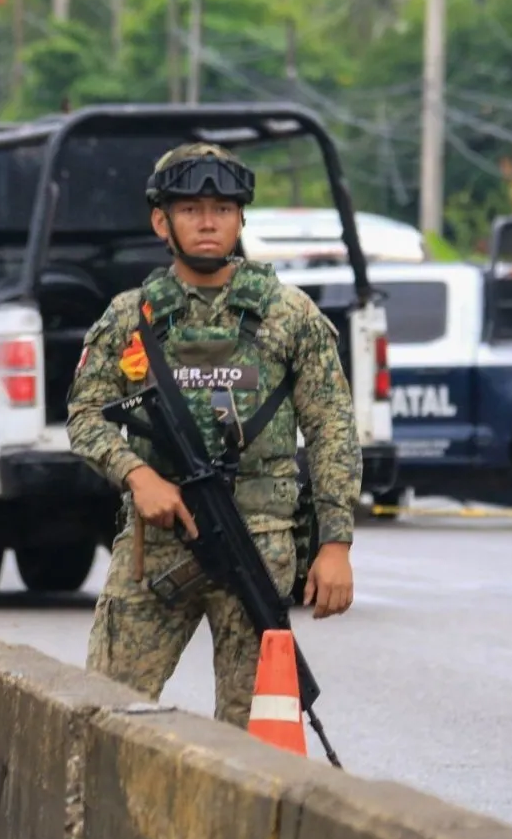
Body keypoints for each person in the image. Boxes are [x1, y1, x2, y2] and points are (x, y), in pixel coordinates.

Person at [66, 143, 359, 730]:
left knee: (255, 730)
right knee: (103, 713)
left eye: (222, 209)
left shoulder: (288, 314)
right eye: (192, 208)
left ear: (240, 219)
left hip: (259, 541)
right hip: (157, 545)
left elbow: (332, 430)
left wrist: (335, 545)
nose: (208, 221)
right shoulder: (133, 315)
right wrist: (138, 474)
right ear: (161, 222)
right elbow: (85, 414)